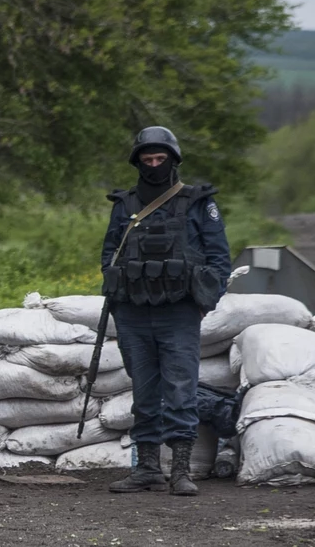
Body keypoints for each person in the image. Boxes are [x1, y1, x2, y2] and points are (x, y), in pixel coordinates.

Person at [100, 126, 231, 496]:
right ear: (137, 161)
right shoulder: (124, 204)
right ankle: (146, 469)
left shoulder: (198, 202)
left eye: (160, 159)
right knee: (144, 392)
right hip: (133, 312)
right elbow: (109, 253)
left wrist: (206, 302)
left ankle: (181, 471)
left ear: (172, 160)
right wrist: (116, 288)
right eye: (147, 159)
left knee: (180, 390)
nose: (154, 165)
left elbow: (219, 259)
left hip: (180, 312)